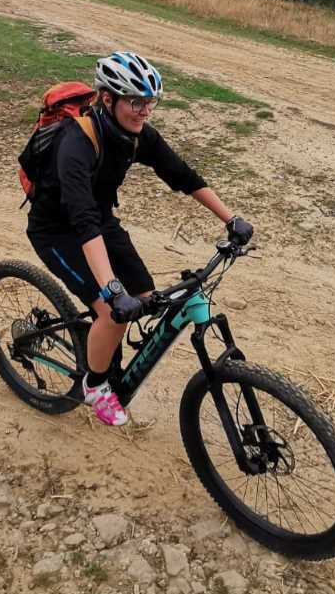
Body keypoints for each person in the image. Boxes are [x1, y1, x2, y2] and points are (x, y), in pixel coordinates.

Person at [26, 52, 253, 426]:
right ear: (107, 99)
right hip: (57, 230)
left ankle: (104, 345)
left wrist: (232, 220)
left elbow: (182, 175)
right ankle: (95, 385)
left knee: (146, 297)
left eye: (150, 101)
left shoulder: (137, 136)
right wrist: (112, 290)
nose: (145, 110)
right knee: (111, 311)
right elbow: (83, 223)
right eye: (135, 101)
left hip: (100, 220)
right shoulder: (75, 143)